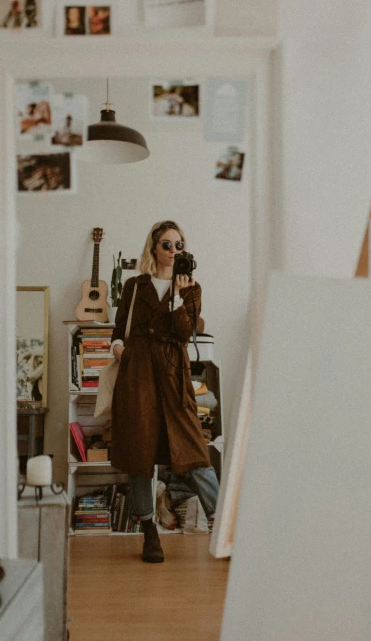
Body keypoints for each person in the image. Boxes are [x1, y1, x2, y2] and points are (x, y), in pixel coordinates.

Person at [110, 220, 219, 563]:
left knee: (194, 452)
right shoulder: (134, 285)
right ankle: (149, 533)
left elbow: (185, 334)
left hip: (173, 372)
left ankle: (223, 525)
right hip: (138, 372)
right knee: (140, 453)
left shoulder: (191, 289)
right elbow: (118, 329)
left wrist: (176, 297)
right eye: (168, 245)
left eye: (180, 245)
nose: (175, 251)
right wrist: (118, 349)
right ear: (154, 248)